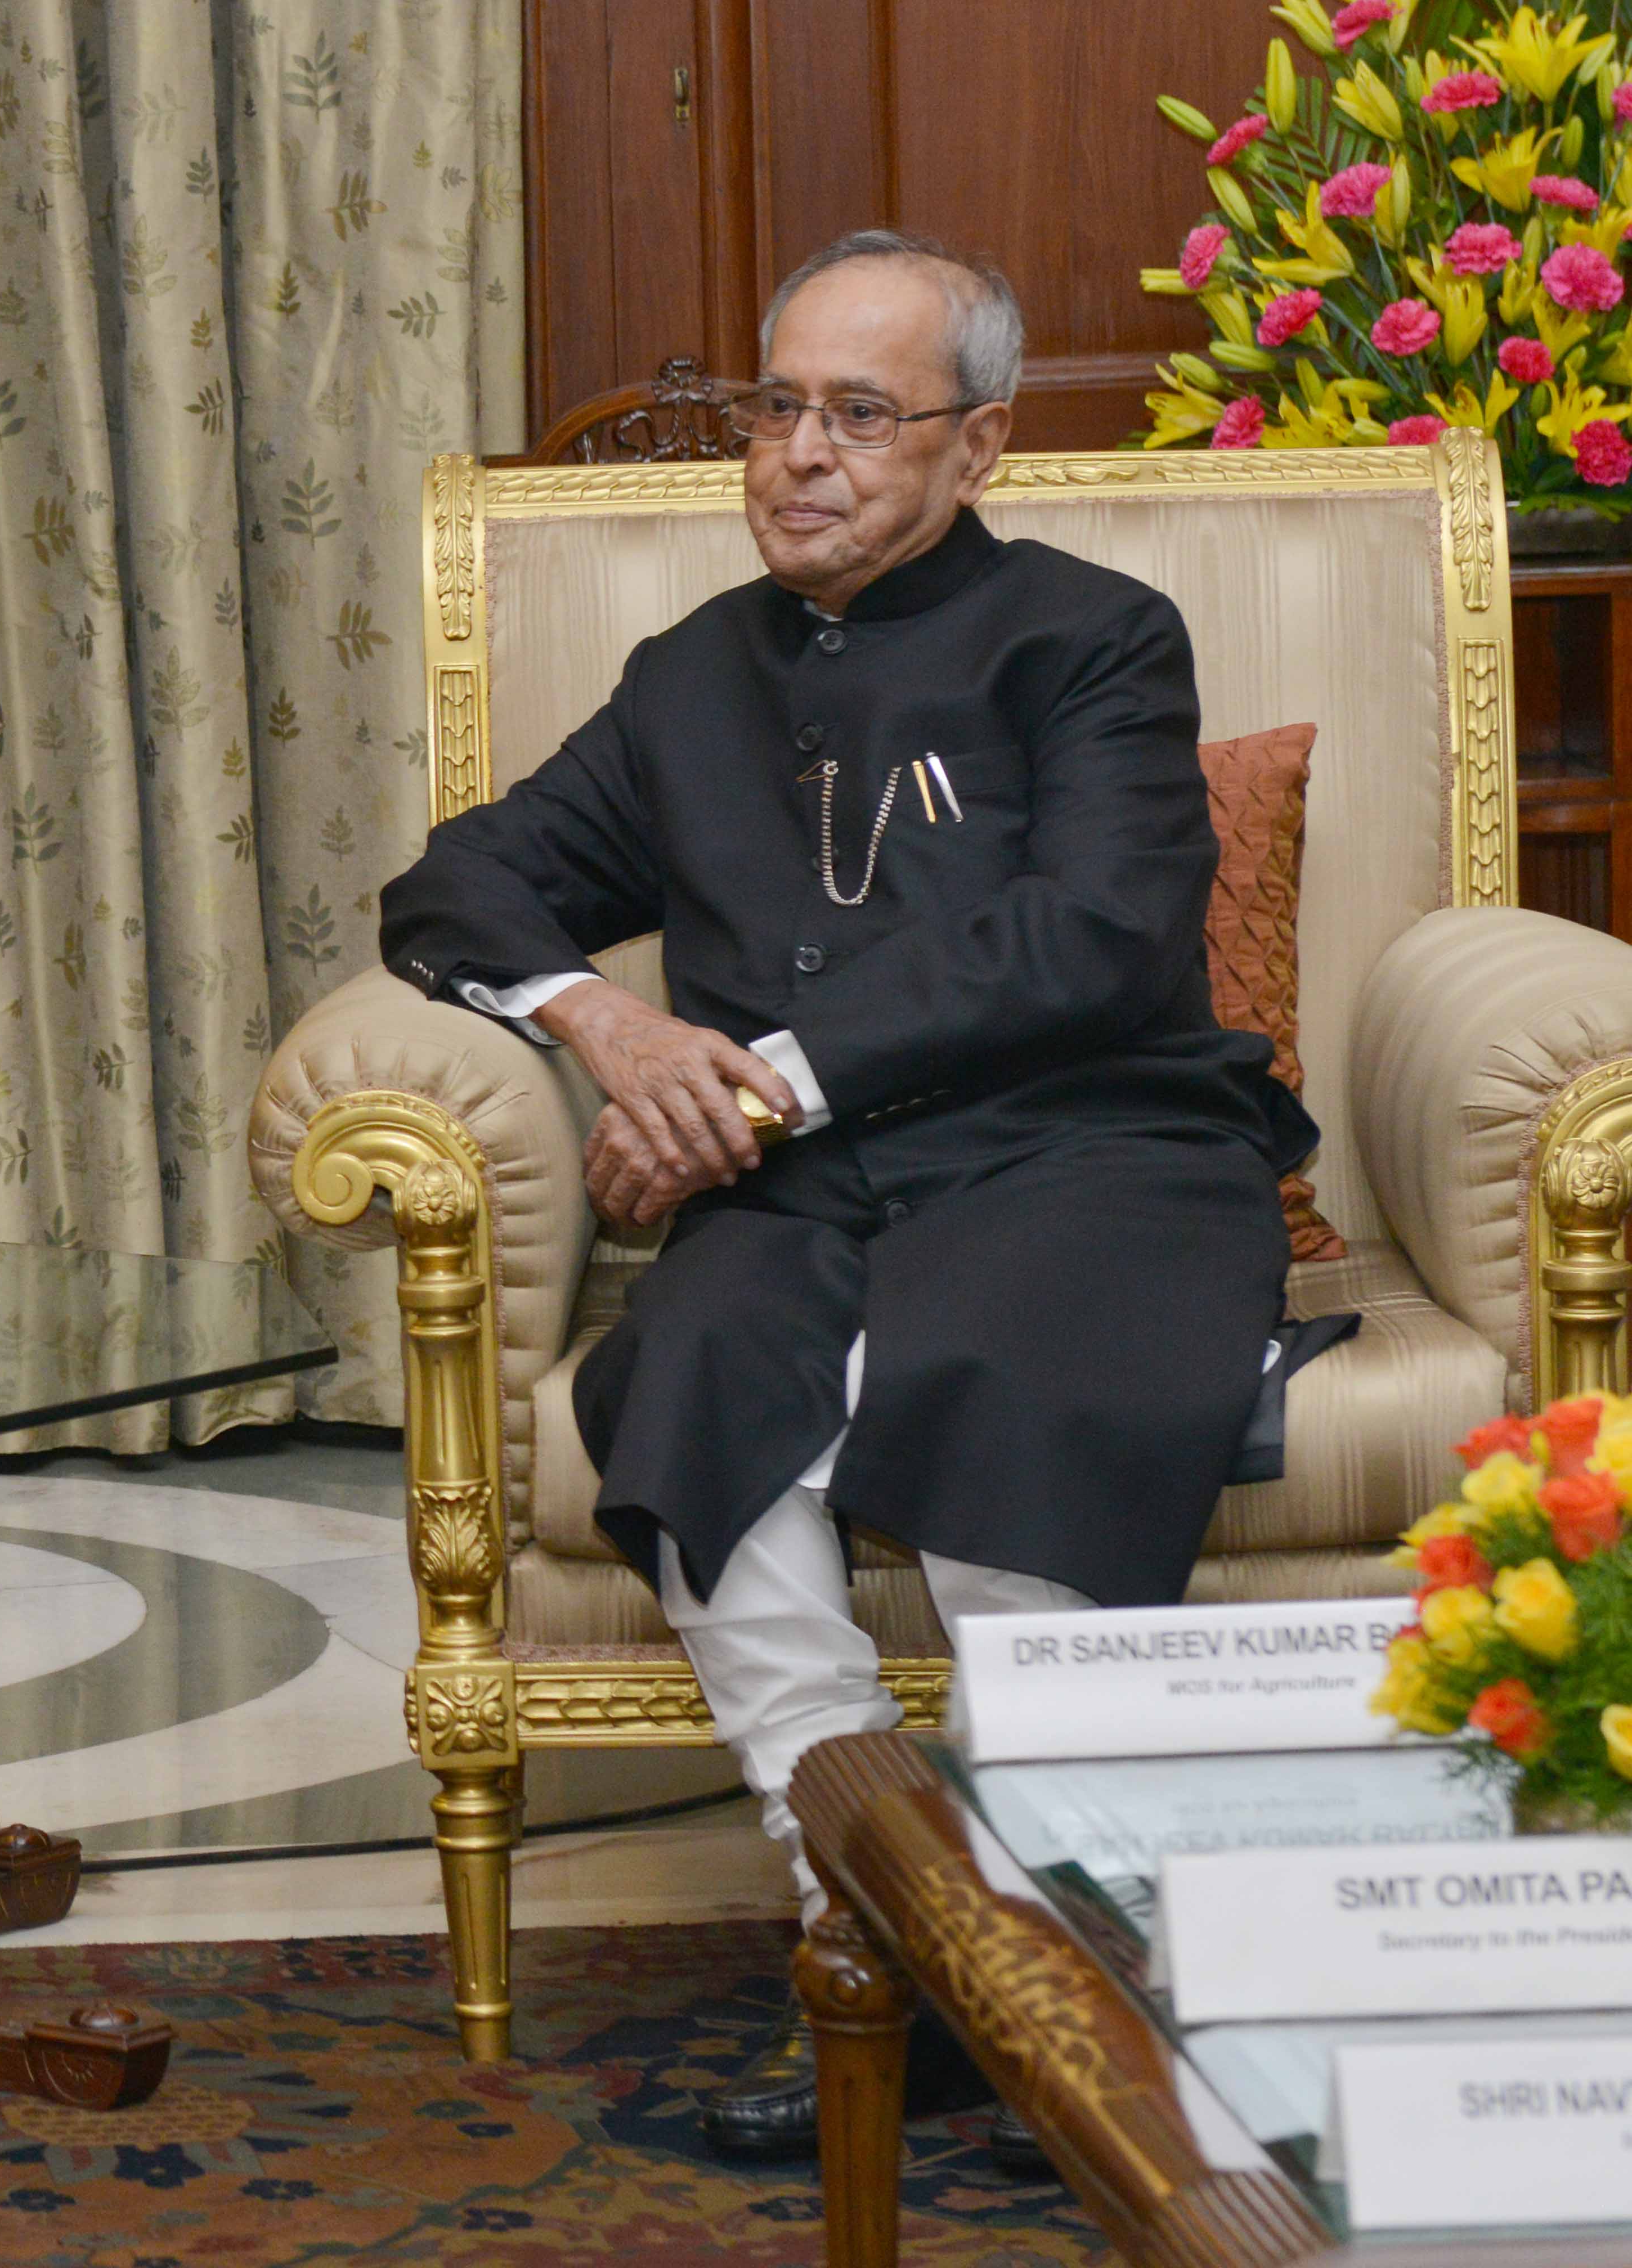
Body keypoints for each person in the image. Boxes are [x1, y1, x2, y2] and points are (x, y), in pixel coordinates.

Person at [377, 230, 1316, 2159]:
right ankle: (877, 1945)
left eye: (861, 416)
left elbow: (1093, 933)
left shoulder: (1095, 637)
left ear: (974, 452)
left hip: (1096, 1148)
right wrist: (609, 1035)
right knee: (700, 1382)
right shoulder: (690, 678)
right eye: (776, 405)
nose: (799, 452)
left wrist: (760, 1081)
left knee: (1017, 1395)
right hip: (803, 1191)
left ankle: (1075, 1971)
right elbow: (456, 884)